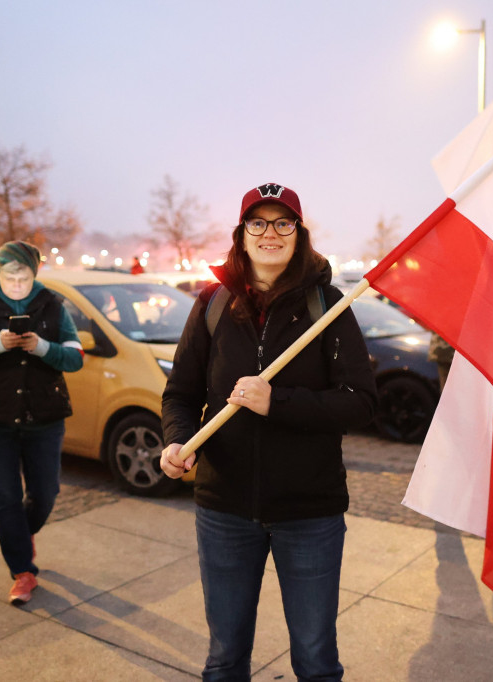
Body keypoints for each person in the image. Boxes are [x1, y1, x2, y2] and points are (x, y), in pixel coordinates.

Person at [160, 183, 377, 680]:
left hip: (310, 513)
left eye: (284, 222)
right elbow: (181, 393)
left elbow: (361, 402)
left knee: (316, 660)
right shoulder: (212, 304)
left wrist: (278, 403)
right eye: (258, 222)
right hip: (224, 510)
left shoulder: (329, 305)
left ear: (299, 234)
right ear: (241, 235)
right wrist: (175, 438)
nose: (270, 233)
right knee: (225, 657)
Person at [0, 241, 84, 604]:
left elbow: (75, 357)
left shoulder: (53, 305)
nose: (17, 284)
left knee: (46, 494)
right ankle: (23, 571)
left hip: (44, 416)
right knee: (6, 499)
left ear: (34, 274)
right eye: (10, 276)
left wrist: (42, 346)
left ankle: (21, 537)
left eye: (24, 276)